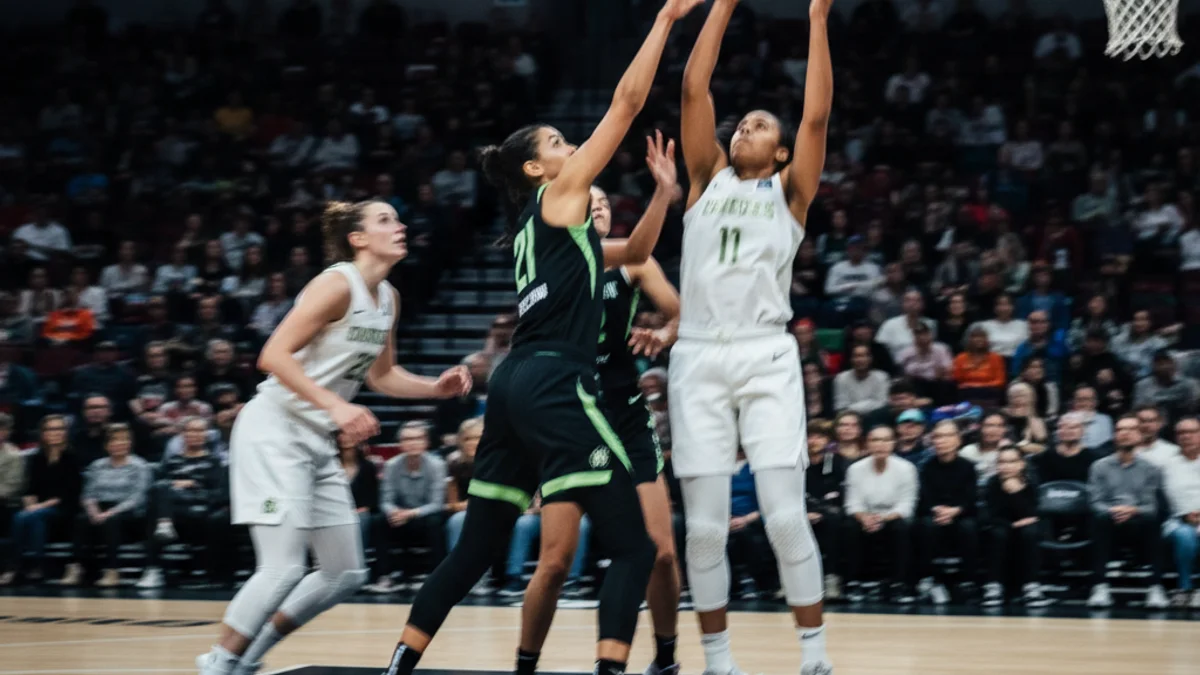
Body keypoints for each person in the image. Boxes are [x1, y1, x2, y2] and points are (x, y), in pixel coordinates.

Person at [382, 3, 702, 675]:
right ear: (536, 170)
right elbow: (626, 100)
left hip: (512, 385)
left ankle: (399, 665)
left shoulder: (553, 232)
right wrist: (666, 20)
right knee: (640, 548)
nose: (569, 150)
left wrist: (663, 196)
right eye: (557, 144)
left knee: (473, 550)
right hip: (558, 379)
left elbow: (636, 252)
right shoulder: (558, 199)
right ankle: (614, 667)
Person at [195, 199, 472, 675]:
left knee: (344, 573)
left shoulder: (389, 297)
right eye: (385, 220)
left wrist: (434, 388)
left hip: (316, 438)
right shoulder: (334, 284)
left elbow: (383, 376)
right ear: (357, 238)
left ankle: (247, 658)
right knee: (282, 567)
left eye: (399, 218)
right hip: (273, 430)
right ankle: (218, 662)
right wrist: (338, 406)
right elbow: (273, 355)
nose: (400, 225)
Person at [672, 0, 835, 672]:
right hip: (699, 355)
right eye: (742, 124)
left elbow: (818, 116)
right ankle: (717, 661)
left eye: (761, 124)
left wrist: (818, 20)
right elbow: (693, 88)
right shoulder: (705, 178)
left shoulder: (791, 192)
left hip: (767, 354)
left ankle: (815, 656)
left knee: (786, 517)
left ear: (782, 149)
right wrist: (723, 5)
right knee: (707, 530)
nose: (745, 128)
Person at [514, 181, 683, 674]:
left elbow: (676, 311)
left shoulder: (632, 261)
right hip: (570, 417)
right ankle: (524, 665)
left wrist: (664, 333)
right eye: (592, 203)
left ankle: (666, 658)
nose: (602, 207)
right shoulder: (554, 264)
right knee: (554, 563)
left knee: (663, 554)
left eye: (607, 202)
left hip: (625, 413)